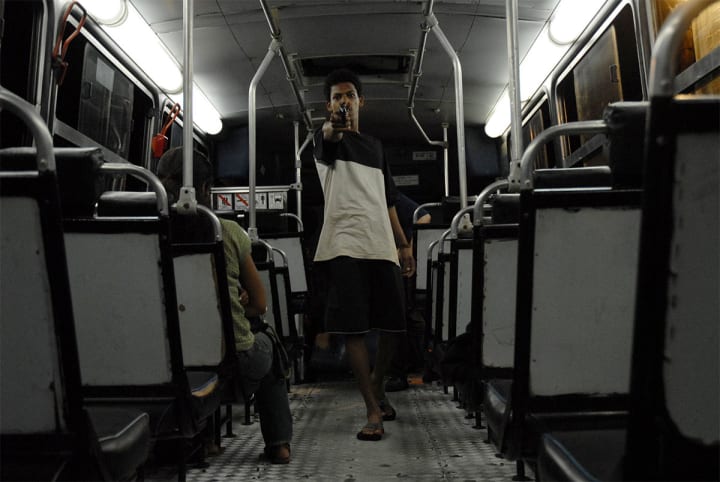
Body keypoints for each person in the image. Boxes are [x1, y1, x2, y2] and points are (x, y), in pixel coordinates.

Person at [156, 147, 293, 464]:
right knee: (268, 343)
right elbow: (259, 304)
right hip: (228, 357)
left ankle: (205, 440)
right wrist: (231, 305)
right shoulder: (226, 232)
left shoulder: (150, 233)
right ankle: (278, 443)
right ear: (206, 189)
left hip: (166, 356)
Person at [313, 68, 416, 441]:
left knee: (394, 324)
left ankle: (378, 384)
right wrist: (333, 126)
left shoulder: (375, 147)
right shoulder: (326, 140)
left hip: (381, 242)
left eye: (350, 96)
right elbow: (329, 136)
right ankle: (372, 408)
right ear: (329, 106)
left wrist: (403, 244)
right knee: (354, 328)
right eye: (337, 97)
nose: (344, 102)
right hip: (344, 243)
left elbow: (387, 200)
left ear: (361, 102)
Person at [385, 192, 431, 392]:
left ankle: (401, 371)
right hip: (382, 262)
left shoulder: (386, 195)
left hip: (396, 264)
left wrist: (407, 249)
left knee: (401, 316)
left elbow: (423, 215)